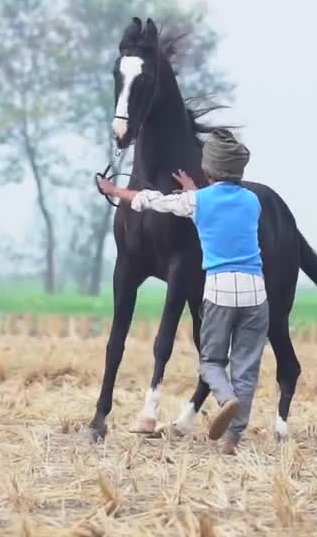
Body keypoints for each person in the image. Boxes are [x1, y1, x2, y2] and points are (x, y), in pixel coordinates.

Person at [95, 128, 267, 454]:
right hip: (256, 296)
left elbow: (151, 200)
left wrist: (115, 189)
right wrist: (196, 193)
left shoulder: (198, 201)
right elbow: (220, 205)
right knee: (246, 366)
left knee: (211, 363)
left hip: (220, 293)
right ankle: (232, 436)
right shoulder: (253, 201)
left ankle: (225, 398)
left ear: (209, 169)